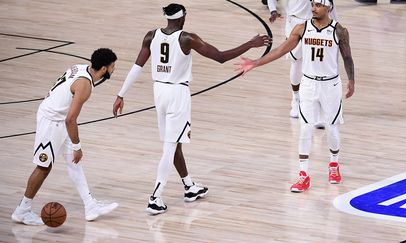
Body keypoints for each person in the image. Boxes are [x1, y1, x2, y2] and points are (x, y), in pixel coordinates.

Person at [112, 3, 271, 215]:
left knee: (174, 143)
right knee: (170, 146)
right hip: (177, 94)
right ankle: (155, 198)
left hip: (158, 92)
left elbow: (136, 67)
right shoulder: (187, 38)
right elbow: (221, 57)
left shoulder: (151, 35)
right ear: (183, 17)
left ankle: (189, 186)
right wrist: (250, 44)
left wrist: (121, 94)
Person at [236, 0, 355, 192]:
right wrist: (256, 63)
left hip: (330, 84)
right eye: (313, 4)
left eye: (318, 5)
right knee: (305, 128)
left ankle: (334, 164)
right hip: (308, 84)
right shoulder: (301, 29)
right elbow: (281, 50)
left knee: (332, 128)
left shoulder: (340, 31)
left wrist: (351, 81)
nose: (313, 8)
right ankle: (303, 175)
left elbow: (348, 57)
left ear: (329, 7)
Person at [12, 48, 119, 225]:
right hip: (52, 122)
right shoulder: (84, 86)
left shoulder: (81, 67)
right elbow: (71, 119)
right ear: (104, 69)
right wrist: (77, 146)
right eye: (113, 66)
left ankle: (90, 205)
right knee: (43, 167)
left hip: (58, 119)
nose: (114, 69)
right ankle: (22, 210)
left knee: (74, 163)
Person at [267, 0, 337, 129]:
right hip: (295, 23)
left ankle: (318, 107)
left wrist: (336, 25)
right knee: (296, 62)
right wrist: (273, 10)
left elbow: (330, 3)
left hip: (317, 22)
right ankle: (296, 98)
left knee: (317, 62)